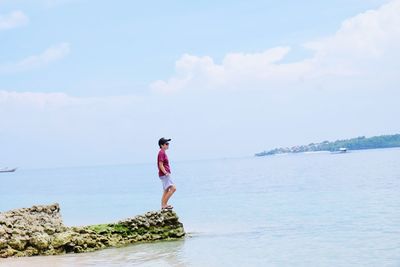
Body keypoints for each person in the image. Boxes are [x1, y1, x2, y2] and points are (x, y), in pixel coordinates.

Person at [157, 137, 176, 210]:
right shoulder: (161, 153)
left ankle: (163, 205)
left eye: (168, 143)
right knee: (173, 188)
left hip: (163, 174)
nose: (168, 145)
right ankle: (164, 205)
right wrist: (165, 172)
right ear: (162, 145)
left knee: (166, 190)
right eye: (166, 144)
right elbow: (160, 164)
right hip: (165, 174)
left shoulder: (162, 152)